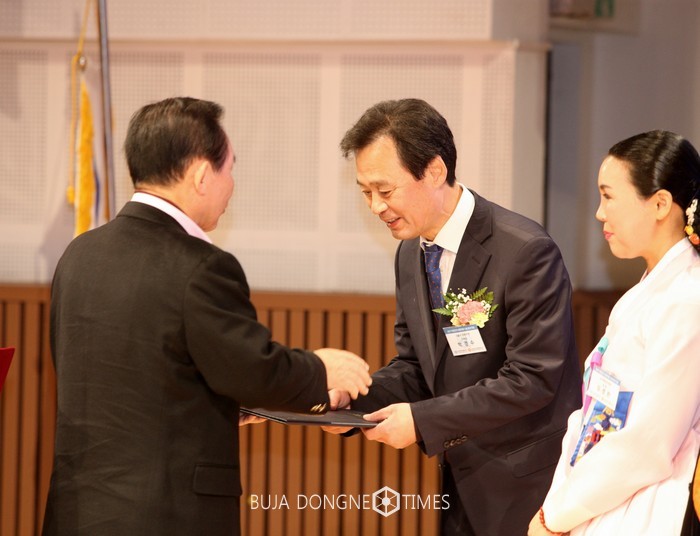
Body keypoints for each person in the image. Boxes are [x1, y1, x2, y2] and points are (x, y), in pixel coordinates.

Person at [42, 97, 372, 536]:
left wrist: (215, 407)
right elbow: (252, 370)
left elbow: (124, 380)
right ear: (201, 175)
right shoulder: (200, 265)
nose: (231, 184)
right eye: (229, 168)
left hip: (76, 512)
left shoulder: (78, 254)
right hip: (165, 516)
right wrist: (320, 369)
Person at [326, 98, 582, 535]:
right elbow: (415, 367)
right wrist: (351, 404)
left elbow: (533, 378)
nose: (375, 207)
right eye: (366, 193)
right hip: (460, 481)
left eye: (385, 191)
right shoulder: (410, 253)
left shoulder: (524, 250)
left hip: (529, 484)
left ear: (434, 171)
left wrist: (422, 422)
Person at [529, 130, 700, 535]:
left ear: (660, 204)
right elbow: (594, 411)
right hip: (602, 497)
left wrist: (555, 517)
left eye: (609, 197)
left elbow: (648, 444)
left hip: (648, 508)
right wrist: (559, 504)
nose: (599, 213)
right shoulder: (646, 292)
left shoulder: (686, 300)